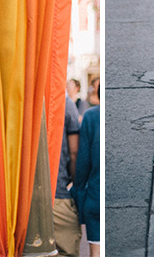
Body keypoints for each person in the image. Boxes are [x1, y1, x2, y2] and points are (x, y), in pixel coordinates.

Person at [52, 94, 82, 257]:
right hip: (58, 191)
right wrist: (75, 186)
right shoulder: (64, 102)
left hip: (20, 197)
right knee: (66, 250)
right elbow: (74, 152)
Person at [73, 102, 100, 257]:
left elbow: (83, 161)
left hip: (95, 196)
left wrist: (78, 193)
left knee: (96, 251)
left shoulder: (91, 116)